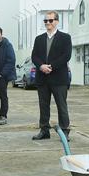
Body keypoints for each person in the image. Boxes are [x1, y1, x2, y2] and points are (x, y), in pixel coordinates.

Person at [31, 11, 72, 140]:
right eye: (45, 21)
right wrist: (41, 66)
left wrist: (51, 66)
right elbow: (34, 56)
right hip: (42, 78)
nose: (48, 23)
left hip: (59, 78)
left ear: (57, 21)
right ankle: (44, 130)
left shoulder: (65, 38)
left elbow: (66, 56)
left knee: (61, 105)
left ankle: (64, 130)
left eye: (50, 20)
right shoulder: (39, 39)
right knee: (43, 106)